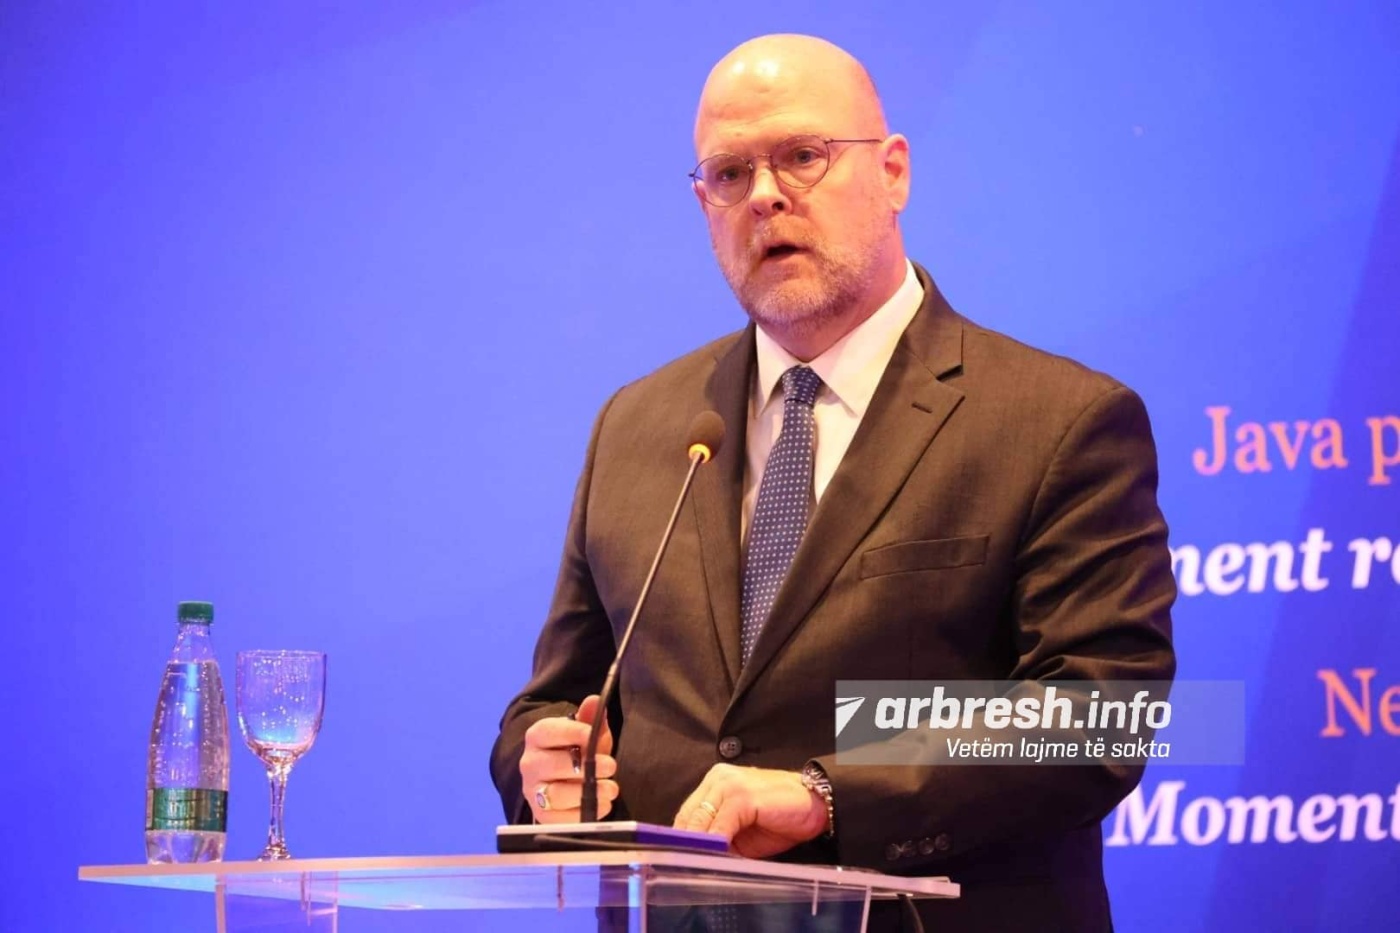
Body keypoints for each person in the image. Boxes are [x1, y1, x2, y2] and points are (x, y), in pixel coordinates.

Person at [490, 33, 1176, 932]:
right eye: (729, 173)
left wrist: (825, 792)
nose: (764, 194)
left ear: (893, 173)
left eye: (803, 156)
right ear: (702, 204)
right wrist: (539, 762)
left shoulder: (1057, 420)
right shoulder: (640, 425)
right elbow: (559, 699)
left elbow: (1099, 713)